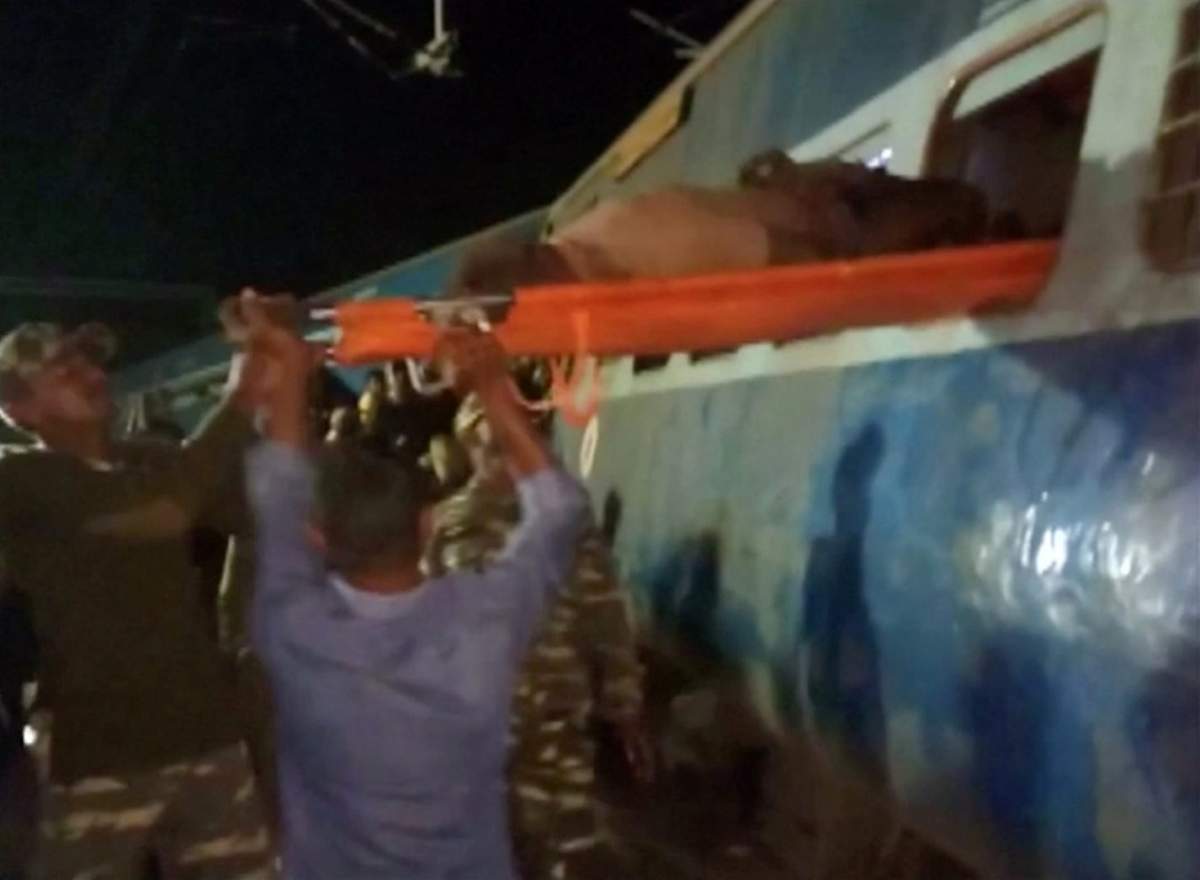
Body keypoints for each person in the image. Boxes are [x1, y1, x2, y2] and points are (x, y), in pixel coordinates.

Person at [239, 292, 589, 880]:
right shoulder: (484, 617)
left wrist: (289, 369)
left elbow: (278, 494)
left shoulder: (291, 628)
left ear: (318, 539)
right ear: (428, 524)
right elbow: (558, 509)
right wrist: (490, 386)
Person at [0, 320, 271, 879]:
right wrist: (243, 391)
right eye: (62, 370)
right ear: (20, 408)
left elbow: (252, 511)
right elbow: (164, 513)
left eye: (90, 362)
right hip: (102, 752)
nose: (91, 374)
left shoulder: (149, 457)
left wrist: (280, 385)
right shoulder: (21, 479)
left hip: (207, 733)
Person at [424, 394, 653, 880]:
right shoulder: (447, 524)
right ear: (469, 447)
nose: (498, 453)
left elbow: (604, 610)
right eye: (486, 442)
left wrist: (624, 707)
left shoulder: (563, 516)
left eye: (507, 439)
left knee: (568, 848)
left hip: (557, 715)